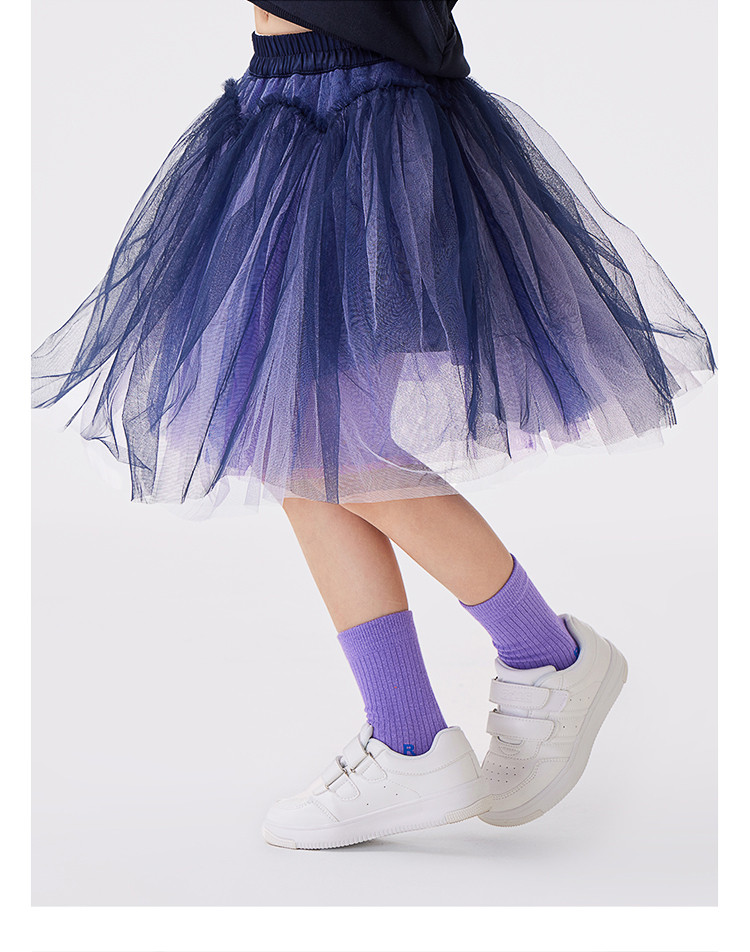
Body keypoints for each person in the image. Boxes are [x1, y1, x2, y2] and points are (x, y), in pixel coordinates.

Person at [31, 2, 716, 850]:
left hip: (364, 114)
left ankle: (544, 657)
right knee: (293, 448)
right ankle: (410, 739)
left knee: (341, 454)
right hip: (281, 104)